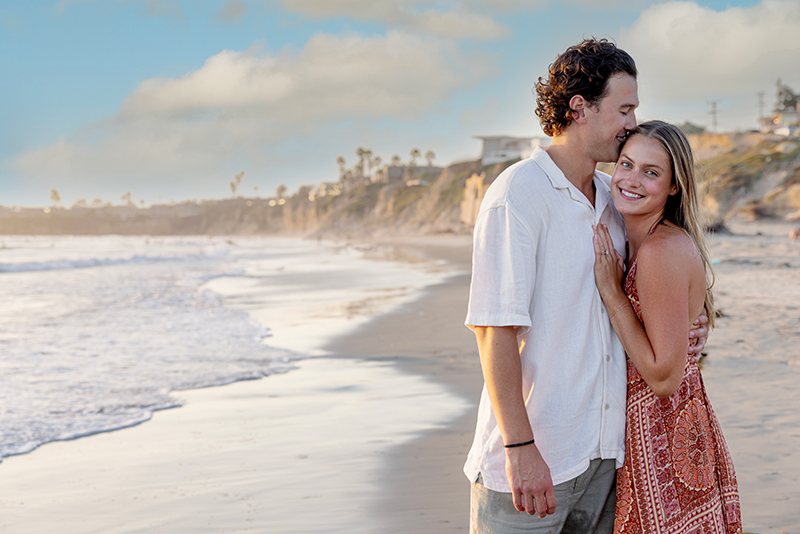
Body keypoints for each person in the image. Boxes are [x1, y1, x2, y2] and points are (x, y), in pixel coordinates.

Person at [464, 39, 708, 533]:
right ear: (580, 108)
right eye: (624, 108)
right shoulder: (517, 195)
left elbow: (653, 291)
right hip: (533, 463)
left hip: (604, 460)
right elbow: (494, 332)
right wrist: (519, 447)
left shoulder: (613, 198)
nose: (632, 123)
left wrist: (693, 326)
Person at [592, 121, 742, 533]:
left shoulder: (660, 250)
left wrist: (612, 292)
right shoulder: (639, 237)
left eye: (651, 172)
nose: (631, 180)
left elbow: (662, 377)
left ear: (674, 187)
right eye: (626, 164)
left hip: (665, 440)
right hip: (668, 435)